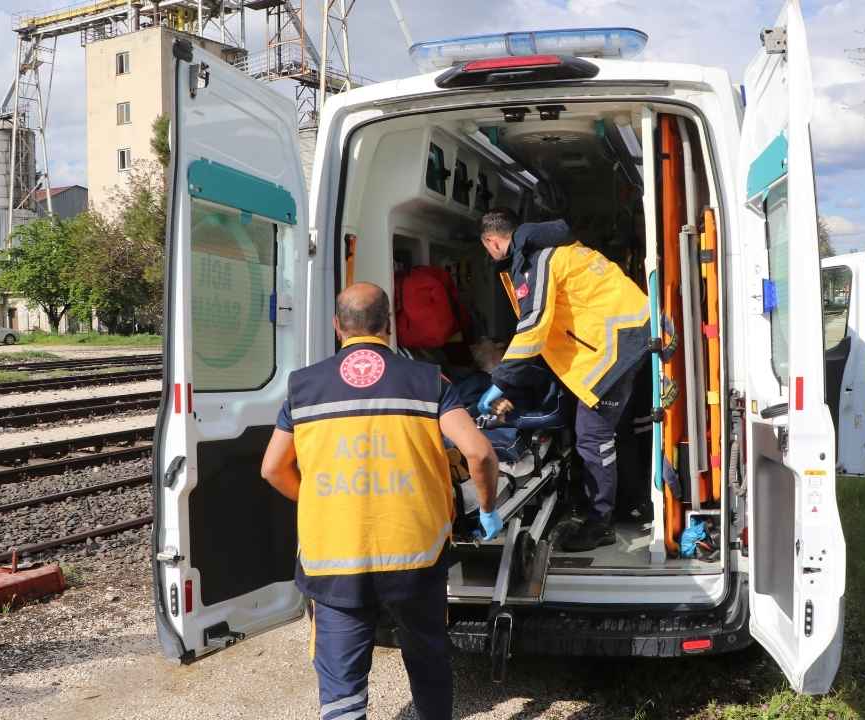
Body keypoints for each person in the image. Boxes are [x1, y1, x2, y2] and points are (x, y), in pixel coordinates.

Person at [260, 282, 500, 720]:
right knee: (428, 660)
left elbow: (272, 467)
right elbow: (480, 453)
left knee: (342, 682)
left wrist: (318, 502)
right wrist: (487, 509)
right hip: (416, 558)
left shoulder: (303, 387)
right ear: (388, 327)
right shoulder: (428, 381)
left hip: (334, 560)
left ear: (337, 327)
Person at [476, 209, 650, 552]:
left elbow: (534, 322)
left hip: (614, 346)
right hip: (619, 338)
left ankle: (601, 521)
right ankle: (629, 501)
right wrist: (517, 384)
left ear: (491, 241)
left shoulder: (539, 259)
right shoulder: (549, 251)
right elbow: (550, 328)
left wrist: (503, 381)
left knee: (593, 436)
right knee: (614, 430)